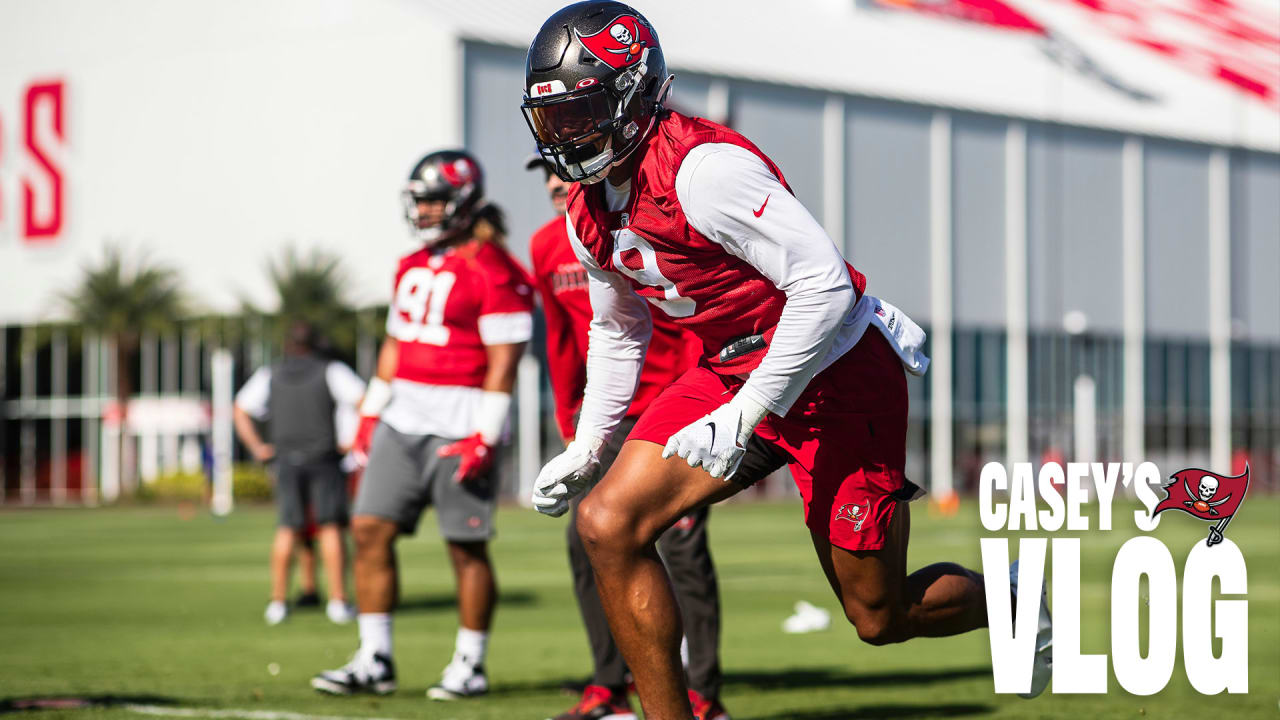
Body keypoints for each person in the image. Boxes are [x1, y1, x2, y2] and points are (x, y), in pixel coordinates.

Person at [521, 4, 1054, 719]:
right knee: (606, 522)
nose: (566, 136)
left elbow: (825, 286)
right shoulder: (586, 207)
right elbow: (618, 328)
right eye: (552, 119)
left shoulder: (704, 170)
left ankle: (1015, 597)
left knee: (879, 616)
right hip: (732, 367)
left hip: (836, 371)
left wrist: (746, 412)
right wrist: (591, 443)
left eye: (581, 112)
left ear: (634, 94)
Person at [528, 154, 783, 720]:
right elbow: (574, 338)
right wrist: (577, 426)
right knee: (591, 539)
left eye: (561, 177)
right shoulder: (553, 241)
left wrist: (696, 406)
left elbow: (696, 321)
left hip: (676, 405)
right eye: (546, 176)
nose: (554, 184)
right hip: (611, 414)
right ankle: (608, 685)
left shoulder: (658, 215)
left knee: (682, 548)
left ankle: (701, 690)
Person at [311, 150, 533, 701]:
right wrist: (369, 413)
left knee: (466, 548)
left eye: (435, 200)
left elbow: (504, 361)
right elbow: (395, 344)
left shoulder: (495, 268)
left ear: (462, 201)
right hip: (401, 419)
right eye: (421, 200)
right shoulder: (410, 264)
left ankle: (470, 664)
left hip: (460, 423)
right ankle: (375, 658)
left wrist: (486, 433)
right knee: (368, 531)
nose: (426, 211)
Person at [233, 321, 364, 626]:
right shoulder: (332, 370)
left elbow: (240, 409)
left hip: (286, 460)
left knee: (287, 528)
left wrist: (258, 448)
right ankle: (338, 602)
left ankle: (277, 603)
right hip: (325, 458)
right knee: (330, 527)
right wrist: (354, 440)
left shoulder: (270, 373)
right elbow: (364, 401)